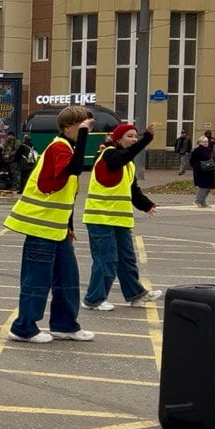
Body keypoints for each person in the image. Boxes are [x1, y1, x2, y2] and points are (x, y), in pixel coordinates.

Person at [3, 105, 96, 344]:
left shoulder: (66, 147)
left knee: (68, 278)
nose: (89, 129)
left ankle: (64, 325)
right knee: (36, 279)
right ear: (68, 126)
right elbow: (74, 168)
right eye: (84, 125)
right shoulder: (59, 147)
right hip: (41, 227)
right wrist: (84, 136)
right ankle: (23, 328)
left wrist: (69, 225)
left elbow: (67, 193)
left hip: (57, 228)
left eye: (90, 126)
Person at [80, 122, 163, 311]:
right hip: (100, 218)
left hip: (120, 219)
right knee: (106, 259)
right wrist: (146, 139)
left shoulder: (127, 164)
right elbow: (124, 155)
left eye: (135, 136)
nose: (134, 139)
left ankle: (136, 294)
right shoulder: (108, 154)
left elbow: (132, 189)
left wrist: (146, 205)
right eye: (130, 136)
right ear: (118, 139)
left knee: (126, 259)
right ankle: (93, 299)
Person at [191, 134, 215, 208]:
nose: (205, 143)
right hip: (201, 172)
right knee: (203, 187)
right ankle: (198, 201)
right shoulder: (197, 151)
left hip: (209, 171)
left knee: (208, 188)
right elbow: (192, 161)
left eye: (206, 141)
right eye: (204, 141)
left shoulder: (209, 150)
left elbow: (213, 159)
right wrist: (198, 168)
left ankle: (203, 201)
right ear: (199, 142)